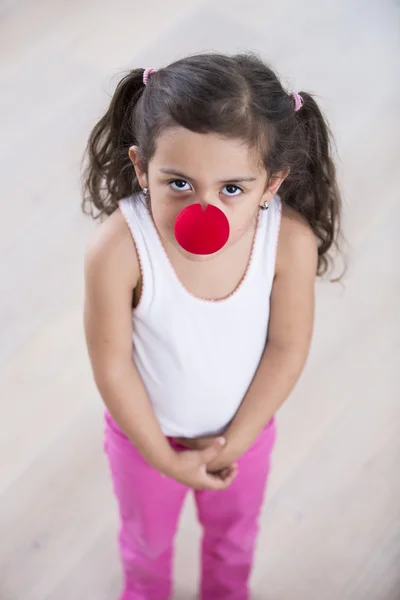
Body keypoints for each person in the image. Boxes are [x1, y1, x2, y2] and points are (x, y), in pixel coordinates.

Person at [81, 52, 342, 600]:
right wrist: (159, 454)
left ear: (271, 185)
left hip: (243, 435)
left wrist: (234, 443)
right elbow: (112, 363)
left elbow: (287, 347)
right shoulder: (119, 249)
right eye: (177, 182)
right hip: (144, 440)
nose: (204, 210)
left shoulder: (288, 243)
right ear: (140, 167)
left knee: (234, 542)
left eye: (231, 189)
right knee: (145, 547)